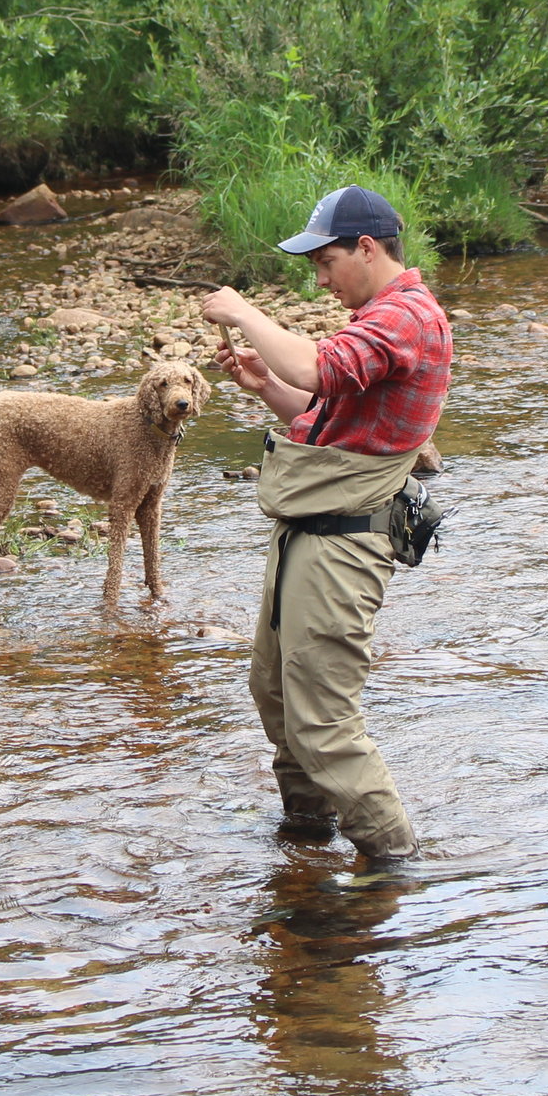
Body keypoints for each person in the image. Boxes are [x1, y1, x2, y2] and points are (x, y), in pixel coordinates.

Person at [201, 186, 451, 879]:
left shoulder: (406, 315)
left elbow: (318, 366)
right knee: (273, 688)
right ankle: (307, 835)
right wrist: (262, 385)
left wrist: (244, 313)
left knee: (324, 721)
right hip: (311, 532)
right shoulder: (384, 317)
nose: (319, 276)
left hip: (344, 544)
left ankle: (393, 863)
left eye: (325, 259)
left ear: (367, 249)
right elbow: (324, 409)